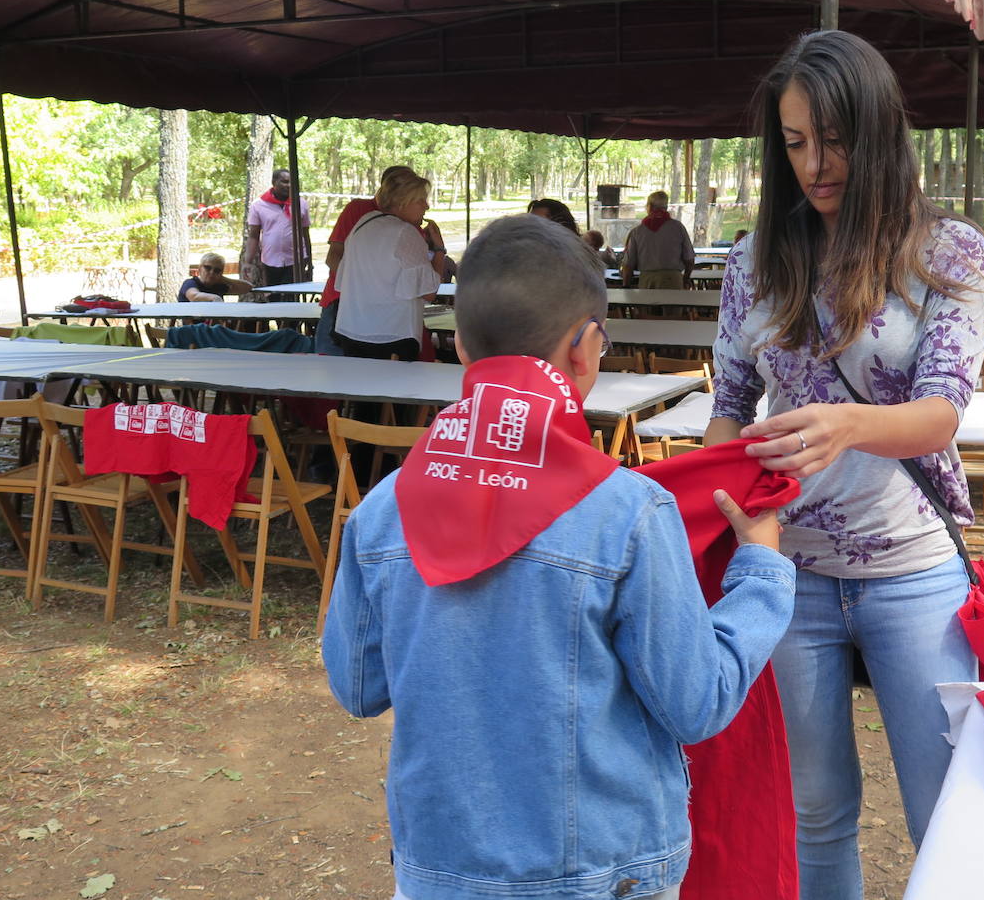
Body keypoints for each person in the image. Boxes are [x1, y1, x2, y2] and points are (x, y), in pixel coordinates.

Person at [323, 213, 795, 900]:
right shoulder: (630, 513)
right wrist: (760, 572)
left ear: (459, 345)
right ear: (587, 346)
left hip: (440, 871)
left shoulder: (381, 511)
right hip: (608, 872)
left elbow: (358, 686)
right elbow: (696, 703)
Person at [702, 30, 984, 896]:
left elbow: (943, 408)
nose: (815, 163)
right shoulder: (755, 261)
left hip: (914, 569)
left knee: (942, 808)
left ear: (879, 132)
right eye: (794, 143)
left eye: (833, 139)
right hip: (786, 573)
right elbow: (728, 407)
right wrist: (693, 496)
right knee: (815, 808)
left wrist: (846, 425)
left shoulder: (948, 252)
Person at [316, 166, 453, 356]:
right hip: (392, 336)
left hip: (354, 331)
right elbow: (429, 292)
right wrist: (439, 250)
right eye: (420, 200)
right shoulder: (405, 231)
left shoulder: (363, 223)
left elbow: (346, 273)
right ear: (402, 202)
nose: (426, 206)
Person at [244, 169, 311, 292]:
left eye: (292, 182)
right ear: (274, 182)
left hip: (295, 261)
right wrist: (247, 262)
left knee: (292, 297)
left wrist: (309, 260)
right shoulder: (258, 205)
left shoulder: (301, 204)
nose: (289, 185)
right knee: (273, 296)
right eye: (285, 182)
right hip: (270, 261)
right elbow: (253, 235)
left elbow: (305, 234)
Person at [620, 191, 694, 289]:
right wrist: (686, 278)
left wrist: (626, 286)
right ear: (666, 208)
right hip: (673, 281)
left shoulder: (637, 232)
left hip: (647, 281)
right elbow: (689, 259)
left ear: (649, 207)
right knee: (673, 305)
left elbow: (628, 264)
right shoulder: (678, 228)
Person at [176, 253, 250, 302]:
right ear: (200, 268)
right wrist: (215, 298)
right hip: (193, 325)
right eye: (208, 268)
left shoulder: (217, 286)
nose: (212, 272)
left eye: (217, 270)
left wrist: (223, 278)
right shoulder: (190, 283)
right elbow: (194, 296)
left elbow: (247, 288)